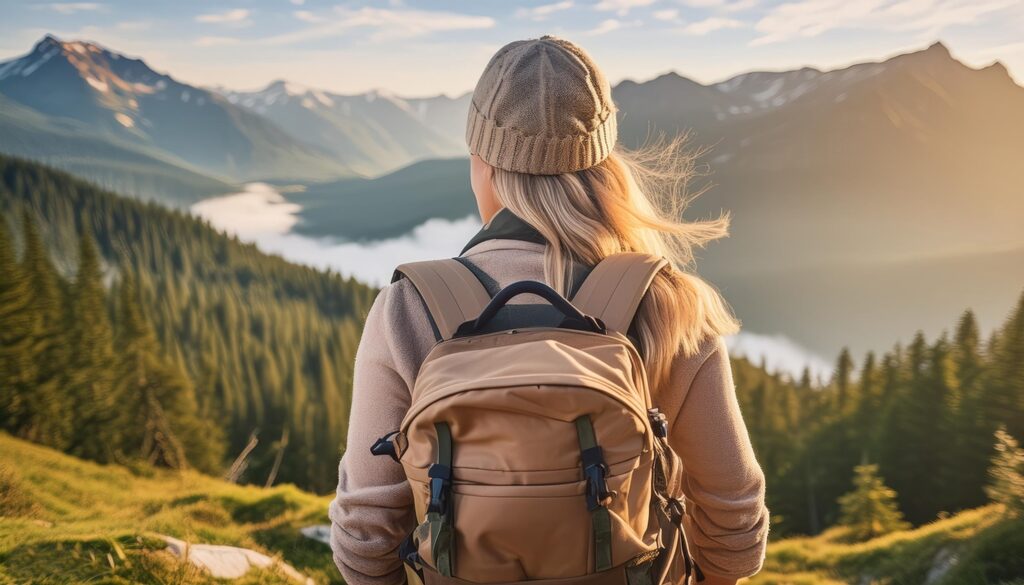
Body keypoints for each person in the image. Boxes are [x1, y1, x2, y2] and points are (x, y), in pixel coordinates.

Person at [330, 36, 768, 585]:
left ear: (482, 161)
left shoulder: (409, 306)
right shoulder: (669, 302)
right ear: (604, 162)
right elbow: (734, 515)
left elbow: (366, 532)